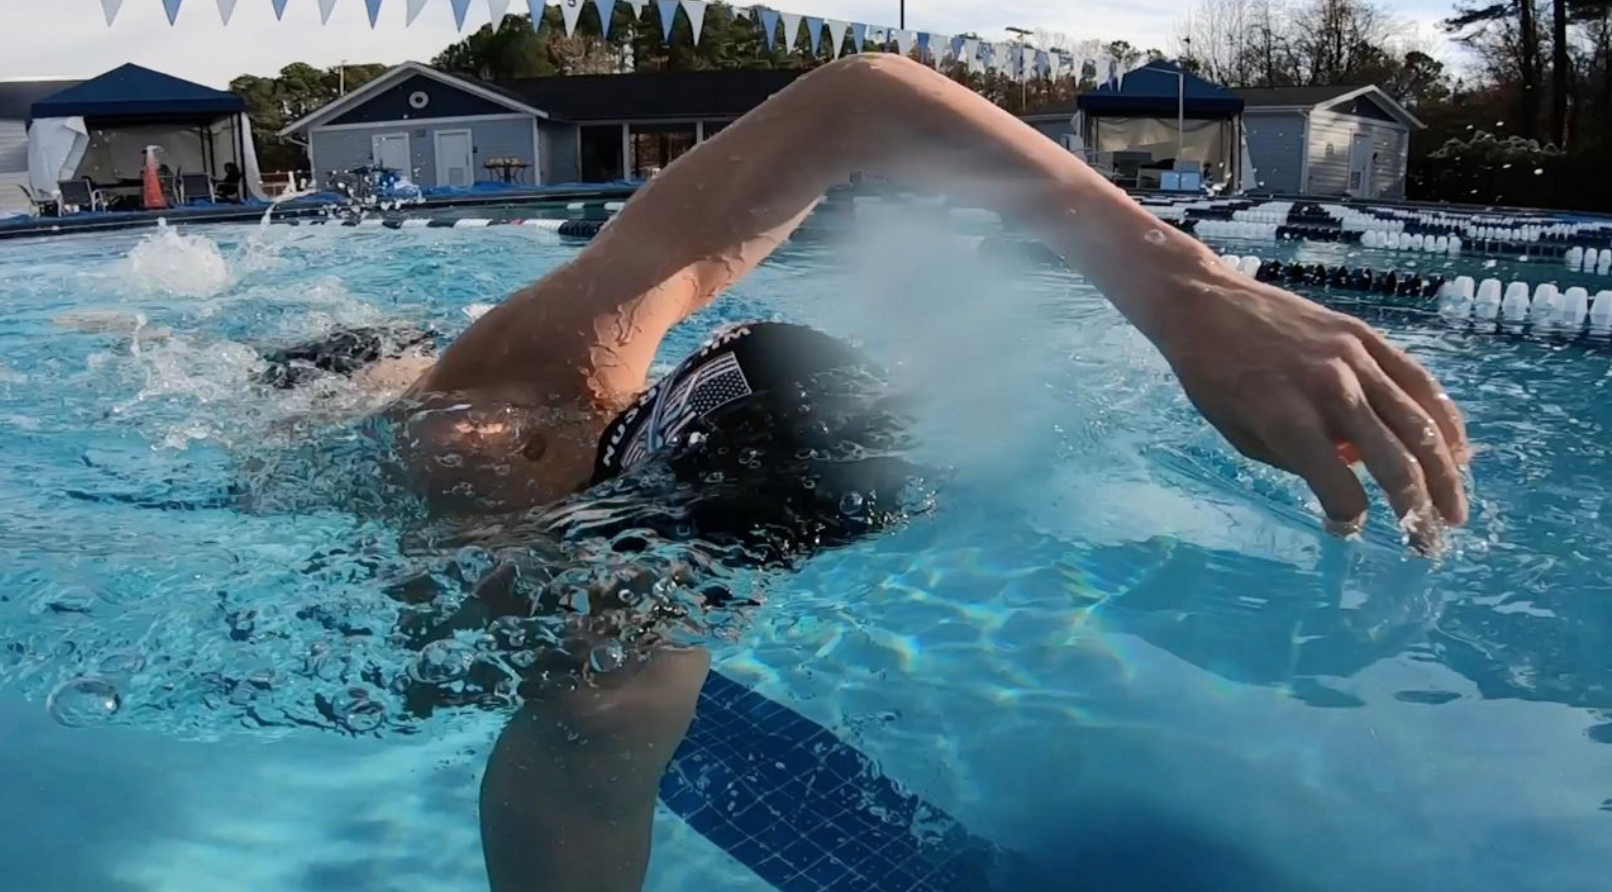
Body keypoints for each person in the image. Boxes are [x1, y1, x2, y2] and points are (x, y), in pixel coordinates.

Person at [362, 56, 1468, 892]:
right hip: (331, 402)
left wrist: (1185, 287)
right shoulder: (517, 496)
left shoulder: (601, 334)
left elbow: (860, 103)